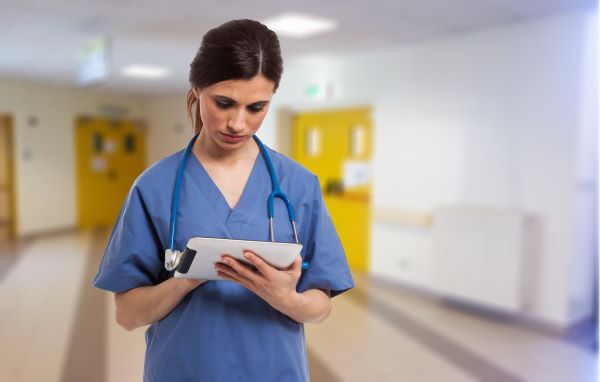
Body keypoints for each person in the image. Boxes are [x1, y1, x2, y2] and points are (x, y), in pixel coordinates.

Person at [93, 19, 354, 381]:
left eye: (256, 107)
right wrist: (185, 279)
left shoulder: (298, 186)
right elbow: (127, 315)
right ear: (197, 89)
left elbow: (320, 306)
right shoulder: (153, 187)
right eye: (224, 103)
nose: (238, 123)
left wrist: (287, 299)